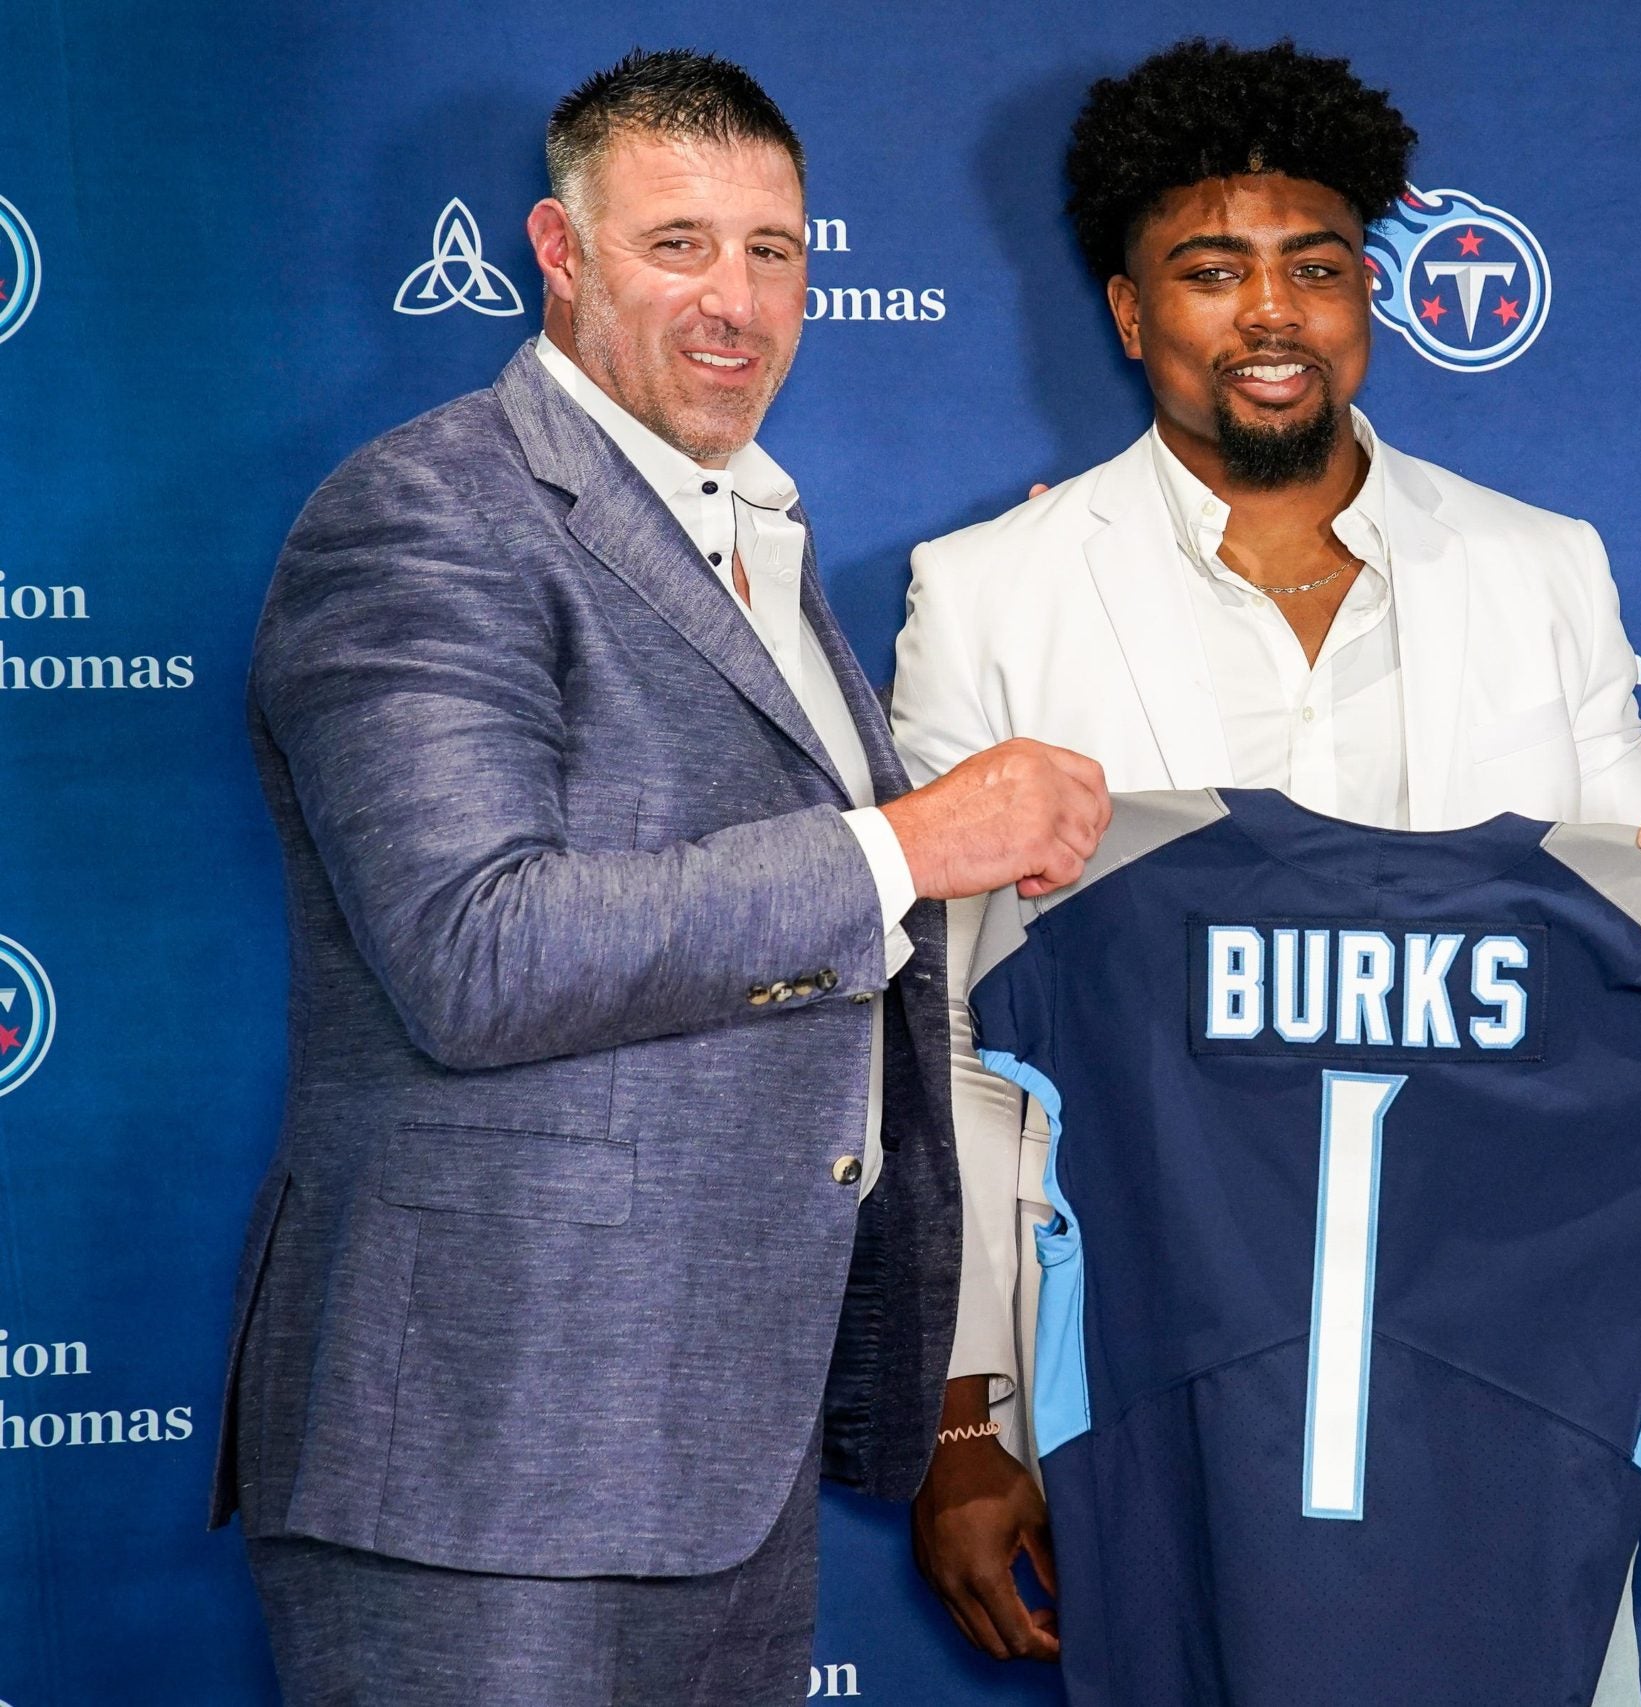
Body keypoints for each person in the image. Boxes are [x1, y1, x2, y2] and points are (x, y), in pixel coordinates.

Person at [890, 37, 1641, 1697]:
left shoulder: (1537, 568)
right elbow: (947, 1037)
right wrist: (964, 1411)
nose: (1270, 314)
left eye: (1316, 266)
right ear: (1124, 311)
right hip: (1153, 1352)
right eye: (1210, 269)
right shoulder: (993, 593)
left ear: (1365, 294)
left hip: (1498, 1357)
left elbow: (1629, 943)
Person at [210, 49, 1108, 1705]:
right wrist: (909, 843)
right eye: (677, 243)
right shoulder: (426, 512)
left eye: (774, 252)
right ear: (559, 254)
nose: (735, 301)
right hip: (486, 1451)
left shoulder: (757, 529)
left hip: (716, 1447)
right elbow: (478, 950)